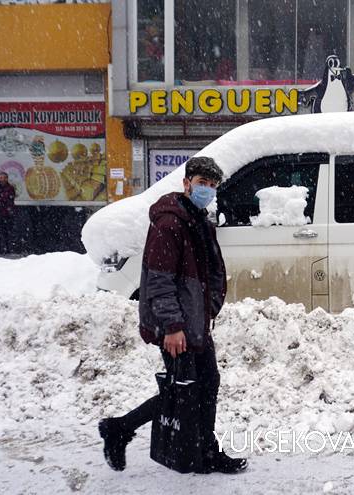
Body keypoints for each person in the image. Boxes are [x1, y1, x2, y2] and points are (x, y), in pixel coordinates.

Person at [98, 157, 247, 475]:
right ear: (186, 183)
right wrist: (173, 326)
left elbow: (208, 274)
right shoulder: (170, 223)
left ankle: (207, 451)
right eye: (200, 183)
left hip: (195, 322)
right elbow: (159, 281)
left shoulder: (199, 221)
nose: (205, 189)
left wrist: (209, 308)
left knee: (206, 385)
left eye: (211, 185)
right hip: (176, 326)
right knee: (184, 393)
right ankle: (119, 429)